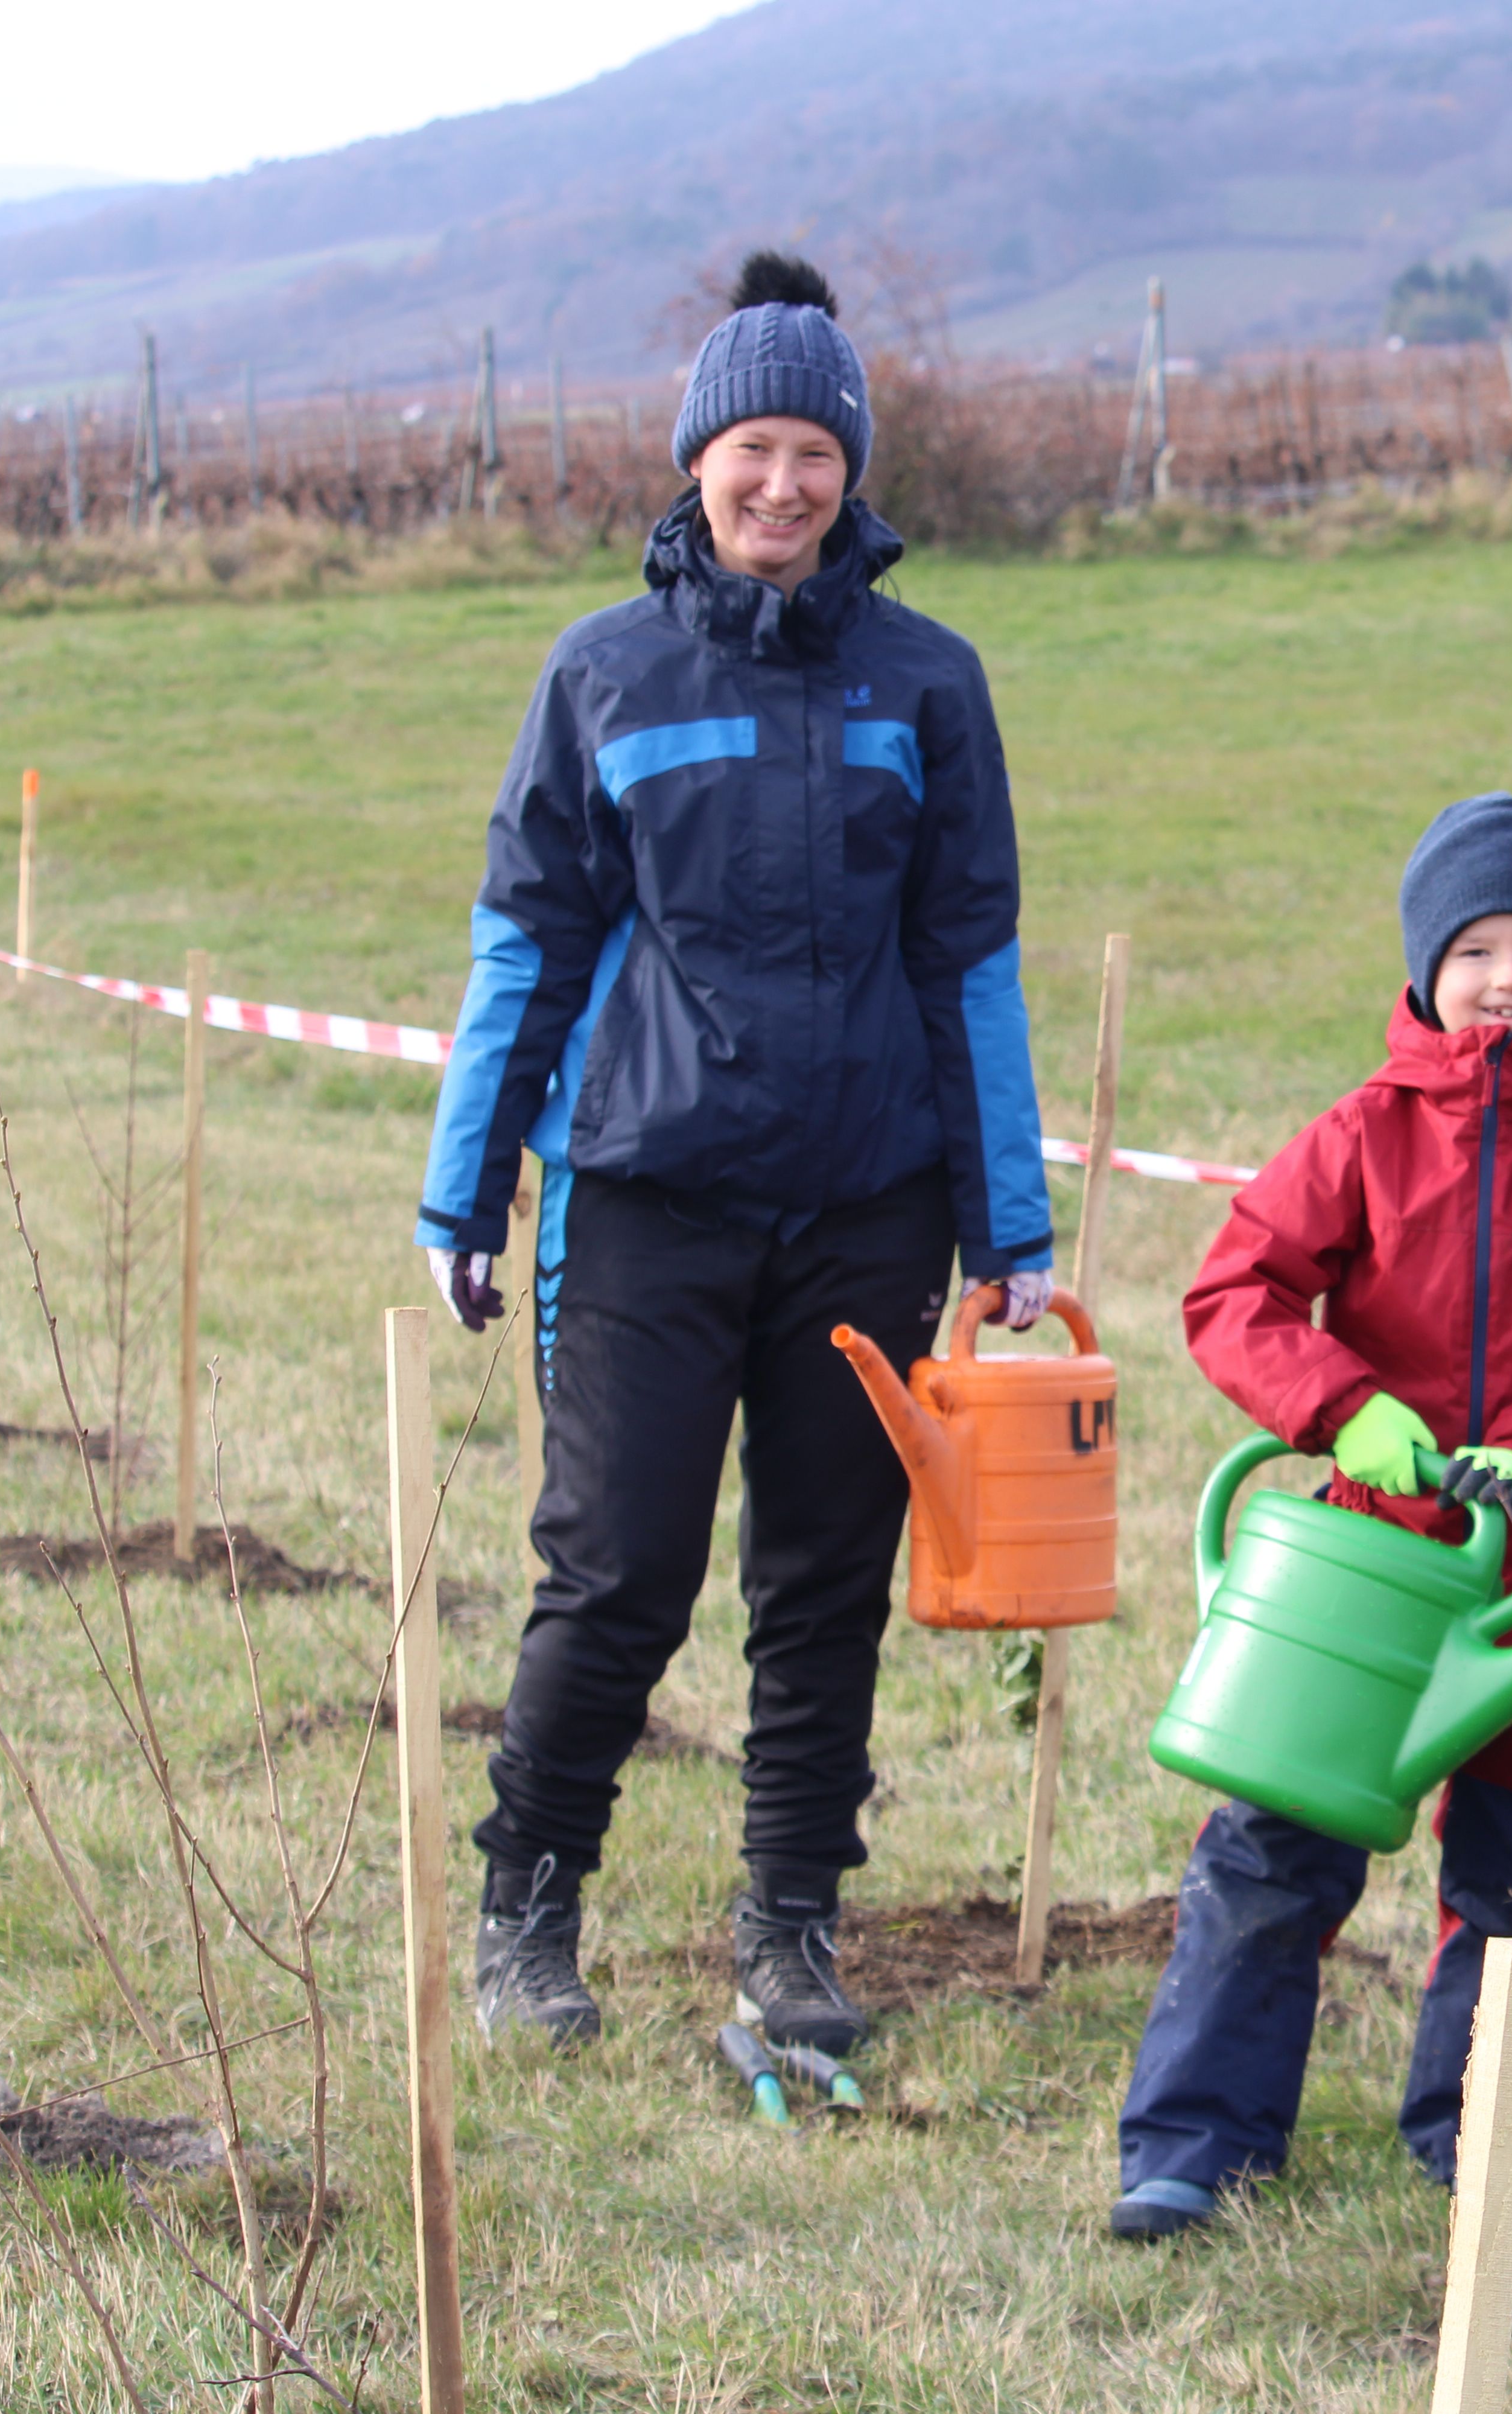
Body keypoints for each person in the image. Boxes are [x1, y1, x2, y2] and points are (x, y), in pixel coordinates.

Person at [415, 251, 1056, 2056]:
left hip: (870, 1207)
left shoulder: (929, 686)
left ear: (856, 474)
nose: (783, 489)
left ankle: (790, 1933)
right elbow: (527, 946)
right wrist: (467, 1190)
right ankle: (527, 1916)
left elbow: (970, 965)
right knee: (615, 1571)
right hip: (643, 1200)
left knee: (824, 1578)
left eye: (816, 458)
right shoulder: (603, 677)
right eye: (751, 450)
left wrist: (1010, 1227)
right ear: (696, 458)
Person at [1109, 794, 1512, 2241]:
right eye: (1478, 946)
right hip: (1368, 1559)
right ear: (1428, 969)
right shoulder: (1364, 1133)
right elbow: (1232, 1295)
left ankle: (1486, 2147)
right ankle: (1198, 2142)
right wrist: (1341, 1405)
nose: (1510, 976)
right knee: (1274, 1847)